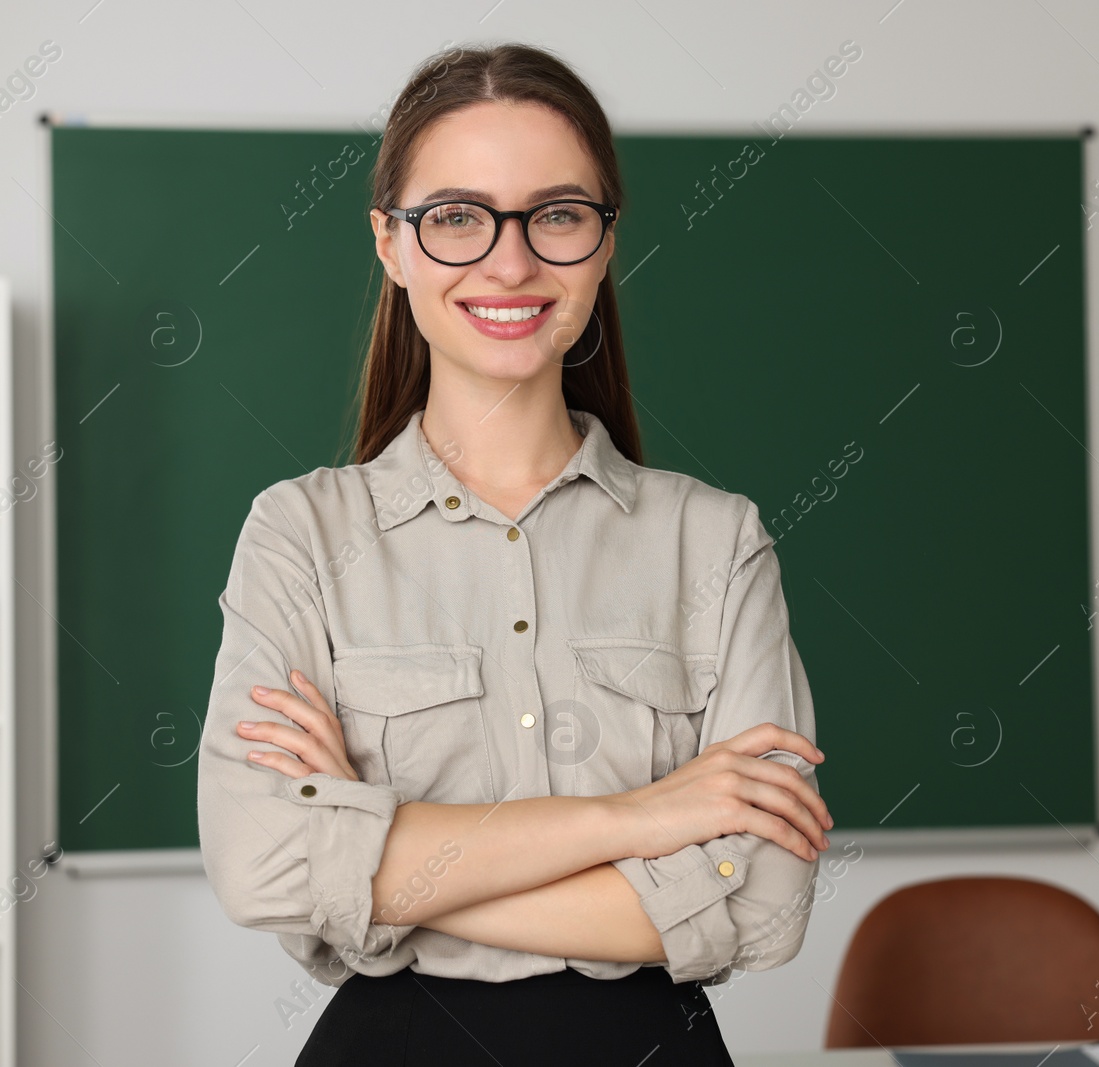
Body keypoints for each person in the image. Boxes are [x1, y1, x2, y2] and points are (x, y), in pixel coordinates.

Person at [196, 41, 834, 1066]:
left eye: (557, 214)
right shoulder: (301, 535)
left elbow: (761, 900)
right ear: (390, 243)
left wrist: (381, 864)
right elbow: (262, 863)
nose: (509, 261)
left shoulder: (713, 538)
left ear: (603, 240)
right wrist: (640, 816)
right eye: (455, 216)